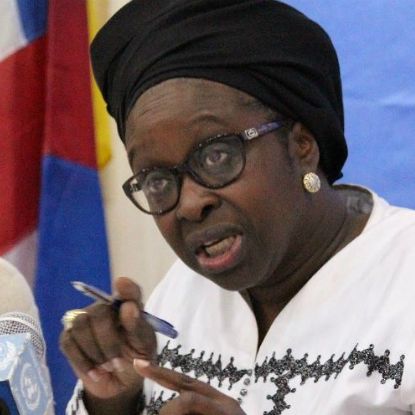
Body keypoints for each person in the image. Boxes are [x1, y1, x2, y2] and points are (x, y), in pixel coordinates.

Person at [61, 1, 415, 414]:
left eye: (217, 156)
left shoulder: (402, 279)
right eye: (157, 180)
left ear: (302, 146)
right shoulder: (181, 294)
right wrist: (117, 399)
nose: (190, 204)